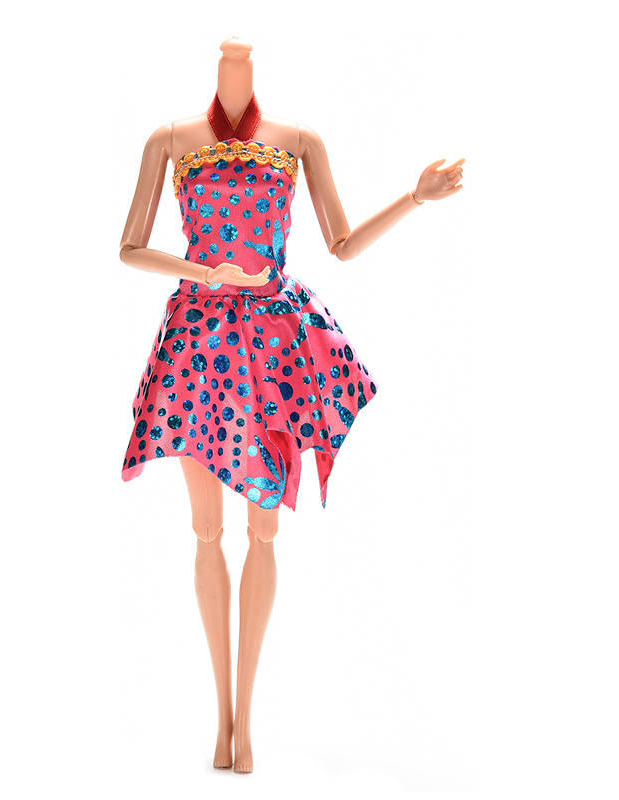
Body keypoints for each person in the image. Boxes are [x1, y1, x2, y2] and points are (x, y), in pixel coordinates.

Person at [119, 37, 464, 773]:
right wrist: (202, 272)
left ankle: (246, 724)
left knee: (263, 529)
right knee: (205, 531)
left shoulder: (299, 140)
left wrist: (414, 198)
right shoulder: (170, 139)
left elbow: (342, 242)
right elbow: (129, 247)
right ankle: (222, 721)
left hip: (274, 345)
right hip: (198, 343)